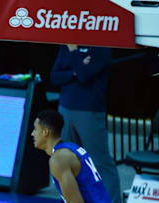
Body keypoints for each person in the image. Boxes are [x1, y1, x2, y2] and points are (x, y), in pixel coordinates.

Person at [50, 44, 121, 203]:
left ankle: (113, 200)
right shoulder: (66, 45)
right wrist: (76, 69)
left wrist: (74, 53)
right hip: (66, 107)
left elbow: (84, 76)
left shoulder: (101, 48)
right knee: (66, 158)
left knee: (100, 160)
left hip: (89, 109)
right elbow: (54, 76)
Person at [32, 109, 111, 203]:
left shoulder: (58, 159)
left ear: (45, 132)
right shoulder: (70, 147)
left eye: (35, 129)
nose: (32, 133)